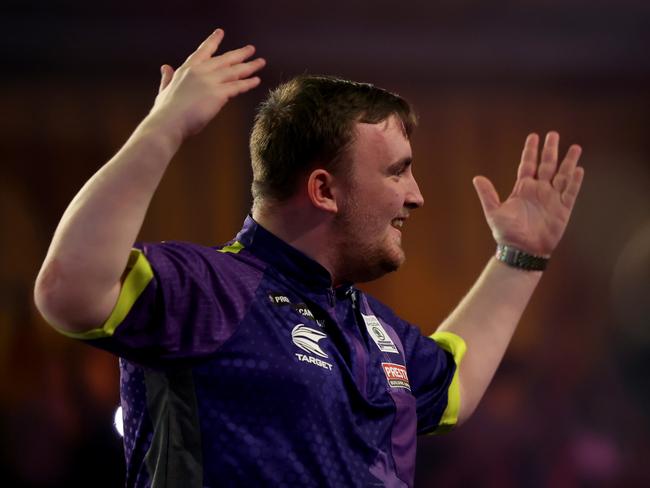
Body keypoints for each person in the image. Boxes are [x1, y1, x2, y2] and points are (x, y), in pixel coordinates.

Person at [33, 29, 585, 487]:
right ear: (324, 190)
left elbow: (453, 387)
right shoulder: (210, 291)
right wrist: (164, 127)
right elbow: (69, 290)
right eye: (397, 171)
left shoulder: (373, 329)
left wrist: (519, 257)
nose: (416, 195)